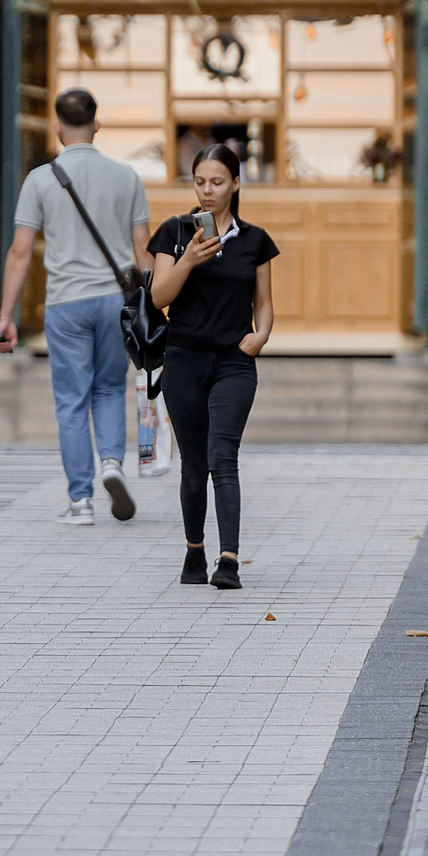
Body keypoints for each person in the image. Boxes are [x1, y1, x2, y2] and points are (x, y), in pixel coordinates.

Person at [0, 89, 150, 527]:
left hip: (66, 303)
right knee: (109, 388)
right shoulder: (126, 176)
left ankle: (80, 501)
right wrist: (155, 305)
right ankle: (113, 463)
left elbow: (20, 253)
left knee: (71, 401)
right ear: (97, 125)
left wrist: (6, 316)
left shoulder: (41, 179)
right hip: (115, 303)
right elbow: (143, 250)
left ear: (57, 127)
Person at [147, 145, 276, 589]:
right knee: (194, 463)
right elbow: (159, 297)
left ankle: (229, 560)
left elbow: (264, 302)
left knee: (224, 457)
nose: (207, 190)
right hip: (182, 359)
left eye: (217, 182)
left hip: (234, 363)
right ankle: (194, 552)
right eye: (200, 181)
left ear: (236, 184)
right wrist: (188, 260)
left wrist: (261, 336)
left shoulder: (255, 240)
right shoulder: (175, 232)